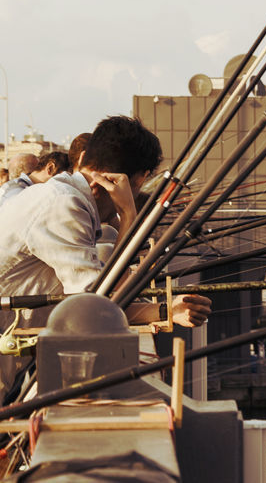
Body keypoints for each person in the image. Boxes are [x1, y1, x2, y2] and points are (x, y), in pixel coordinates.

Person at [0, 116, 213, 392]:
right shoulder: (63, 206)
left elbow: (98, 298)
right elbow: (98, 306)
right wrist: (127, 216)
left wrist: (165, 311)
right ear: (127, 182)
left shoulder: (63, 197)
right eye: (137, 188)